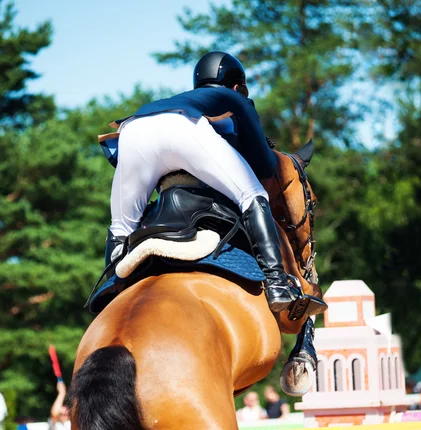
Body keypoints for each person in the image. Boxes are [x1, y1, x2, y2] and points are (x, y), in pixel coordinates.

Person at [99, 51, 302, 313]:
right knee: (253, 195)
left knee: (120, 226)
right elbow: (265, 165)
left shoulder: (184, 99)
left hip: (132, 130)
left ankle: (112, 295)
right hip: (181, 128)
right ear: (238, 86)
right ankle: (277, 283)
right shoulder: (233, 97)